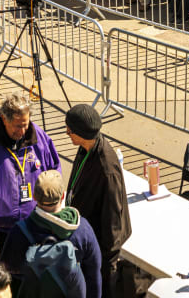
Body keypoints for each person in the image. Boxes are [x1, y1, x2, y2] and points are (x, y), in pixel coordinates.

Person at [0, 171, 100, 298]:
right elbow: (94, 275)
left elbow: (7, 276)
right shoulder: (82, 229)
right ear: (63, 196)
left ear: (34, 197)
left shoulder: (19, 232)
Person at [59, 105, 127, 295]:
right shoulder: (85, 149)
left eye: (69, 130)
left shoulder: (107, 170)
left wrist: (106, 264)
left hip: (100, 250)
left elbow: (113, 221)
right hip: (86, 235)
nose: (67, 133)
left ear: (80, 133)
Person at [0, 94, 59, 236]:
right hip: (2, 227)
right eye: (18, 126)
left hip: (36, 222)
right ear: (4, 120)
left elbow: (54, 174)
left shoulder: (40, 137)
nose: (23, 131)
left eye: (26, 125)